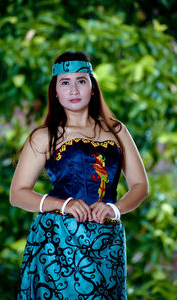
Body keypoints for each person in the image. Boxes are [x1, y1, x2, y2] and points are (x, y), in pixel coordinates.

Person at [10, 51, 149, 300]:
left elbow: (140, 185)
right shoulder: (44, 136)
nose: (73, 90)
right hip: (57, 244)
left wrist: (114, 210)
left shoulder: (116, 130)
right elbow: (17, 194)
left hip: (108, 243)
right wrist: (64, 205)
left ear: (93, 88)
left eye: (81, 81)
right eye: (65, 82)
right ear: (55, 90)